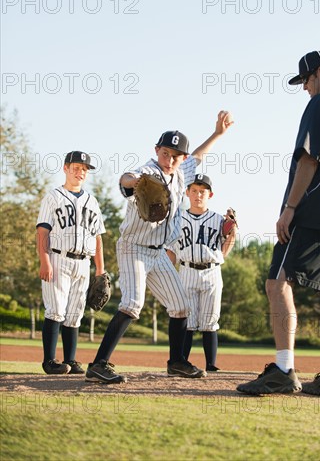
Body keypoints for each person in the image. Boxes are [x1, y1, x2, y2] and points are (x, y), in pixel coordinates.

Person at [237, 50, 320, 398]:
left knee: (277, 283)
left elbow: (309, 159)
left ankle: (283, 370)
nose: (305, 88)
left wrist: (290, 208)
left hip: (314, 212)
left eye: (306, 80)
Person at [86, 111, 234, 384]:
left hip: (158, 252)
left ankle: (176, 362)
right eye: (166, 153)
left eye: (176, 156)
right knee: (132, 304)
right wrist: (135, 183)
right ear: (157, 150)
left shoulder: (181, 172)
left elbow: (198, 156)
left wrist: (217, 134)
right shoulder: (149, 171)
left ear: (182, 159)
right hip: (134, 248)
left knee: (181, 306)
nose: (170, 160)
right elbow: (126, 178)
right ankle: (98, 364)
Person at [36, 151, 106, 375]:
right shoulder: (53, 197)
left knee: (75, 313)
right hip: (58, 258)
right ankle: (49, 361)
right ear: (65, 168)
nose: (80, 172)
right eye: (76, 167)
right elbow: (42, 231)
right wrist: (44, 261)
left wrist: (100, 270)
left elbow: (98, 238)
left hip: (84, 262)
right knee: (56, 309)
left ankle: (71, 360)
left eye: (84, 169)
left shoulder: (92, 201)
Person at [167, 174, 237, 372]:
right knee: (186, 319)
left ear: (210, 194)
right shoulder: (177, 219)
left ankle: (211, 365)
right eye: (195, 191)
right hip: (186, 269)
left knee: (210, 320)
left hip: (211, 271)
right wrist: (167, 274)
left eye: (203, 191)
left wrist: (232, 233)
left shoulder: (218, 219)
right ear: (187, 192)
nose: (198, 195)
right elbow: (171, 250)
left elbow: (228, 240)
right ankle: (182, 362)